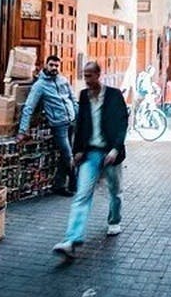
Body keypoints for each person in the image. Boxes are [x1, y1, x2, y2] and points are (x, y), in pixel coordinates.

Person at [52, 61, 128, 259]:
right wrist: (77, 151)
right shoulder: (84, 96)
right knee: (82, 195)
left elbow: (122, 124)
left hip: (110, 152)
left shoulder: (114, 95)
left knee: (115, 191)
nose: (86, 81)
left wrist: (116, 148)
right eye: (84, 76)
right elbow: (81, 124)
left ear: (98, 75)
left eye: (89, 76)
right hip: (91, 153)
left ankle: (114, 220)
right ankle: (71, 239)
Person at [19, 55, 78, 196]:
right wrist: (22, 129)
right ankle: (75, 182)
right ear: (45, 65)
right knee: (67, 154)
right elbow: (29, 107)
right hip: (58, 125)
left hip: (71, 121)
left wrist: (77, 114)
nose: (54, 68)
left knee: (67, 155)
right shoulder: (40, 85)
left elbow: (73, 99)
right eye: (51, 65)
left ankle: (59, 186)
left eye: (56, 66)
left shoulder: (63, 80)